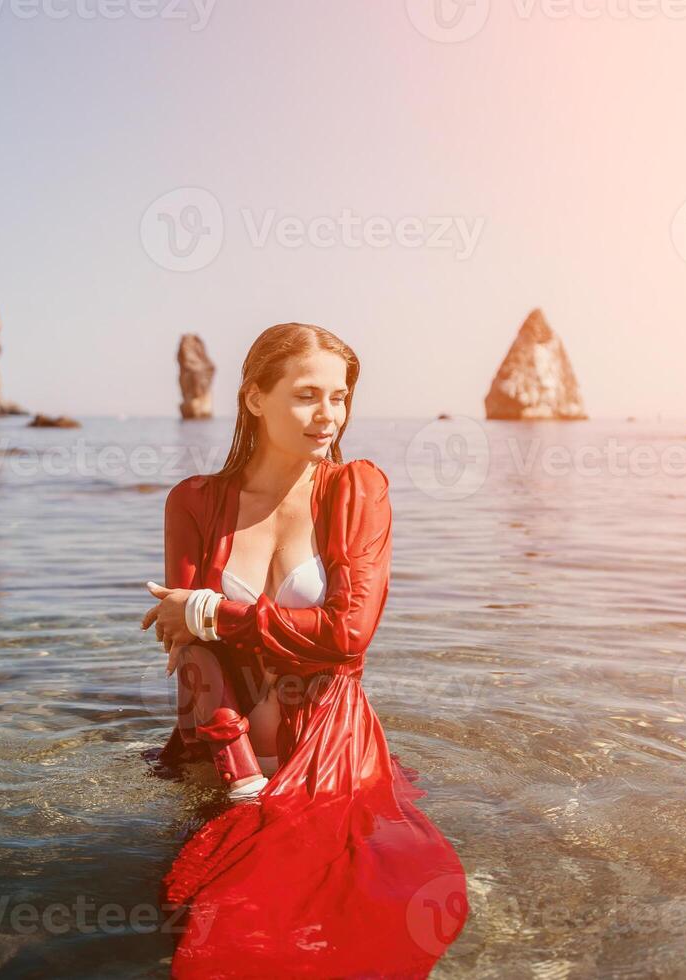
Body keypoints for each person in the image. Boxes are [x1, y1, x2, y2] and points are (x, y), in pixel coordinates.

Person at [140, 323, 470, 978]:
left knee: (346, 927)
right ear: (255, 398)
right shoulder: (195, 502)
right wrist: (242, 780)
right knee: (186, 922)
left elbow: (347, 637)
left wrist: (211, 609)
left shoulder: (356, 491)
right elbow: (191, 655)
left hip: (329, 753)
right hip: (218, 752)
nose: (329, 416)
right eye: (307, 396)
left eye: (340, 397)